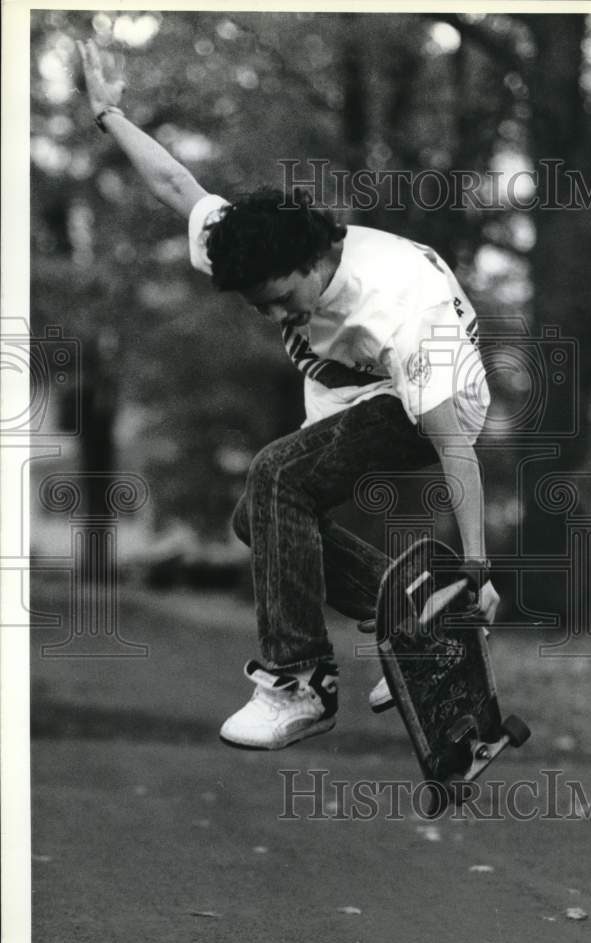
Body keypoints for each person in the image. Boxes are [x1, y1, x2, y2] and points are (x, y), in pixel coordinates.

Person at [78, 39, 500, 750]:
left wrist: (478, 570)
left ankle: (298, 680)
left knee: (277, 473)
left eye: (282, 301)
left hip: (434, 402)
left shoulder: (398, 307)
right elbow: (177, 185)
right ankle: (418, 620)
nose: (278, 320)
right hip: (353, 397)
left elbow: (455, 449)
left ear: (317, 260)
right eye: (257, 307)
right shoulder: (255, 241)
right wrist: (109, 114)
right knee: (261, 520)